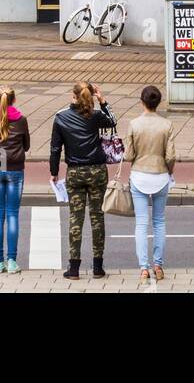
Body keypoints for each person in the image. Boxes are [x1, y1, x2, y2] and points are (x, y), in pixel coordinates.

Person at [49, 81, 116, 279]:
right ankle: (97, 266)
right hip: (97, 171)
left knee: (75, 218)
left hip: (75, 172)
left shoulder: (61, 118)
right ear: (90, 96)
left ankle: (74, 267)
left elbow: (55, 149)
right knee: (97, 217)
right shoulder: (95, 116)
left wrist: (54, 171)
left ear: (74, 96)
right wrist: (102, 100)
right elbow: (112, 121)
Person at [126, 84, 176, 282]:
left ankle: (143, 268)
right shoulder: (167, 125)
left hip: (139, 175)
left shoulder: (134, 124)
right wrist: (169, 171)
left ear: (142, 102)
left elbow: (129, 154)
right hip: (160, 175)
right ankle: (158, 265)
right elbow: (171, 155)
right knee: (159, 222)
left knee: (141, 223)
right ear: (159, 103)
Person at [0, 86, 30, 274]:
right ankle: (12, 261)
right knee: (12, 215)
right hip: (15, 168)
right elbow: (26, 146)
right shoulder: (21, 120)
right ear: (14, 100)